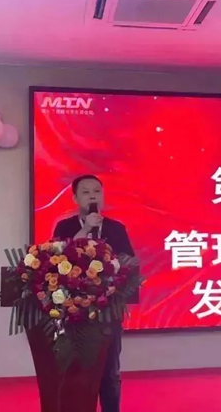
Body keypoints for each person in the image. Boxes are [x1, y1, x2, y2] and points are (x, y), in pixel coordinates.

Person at [53, 174, 136, 412]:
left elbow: (129, 263)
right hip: (74, 309)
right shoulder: (65, 227)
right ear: (75, 198)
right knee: (77, 371)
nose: (92, 196)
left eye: (97, 191)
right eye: (86, 192)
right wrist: (87, 228)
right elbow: (59, 259)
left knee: (110, 372)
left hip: (109, 308)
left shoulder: (115, 228)